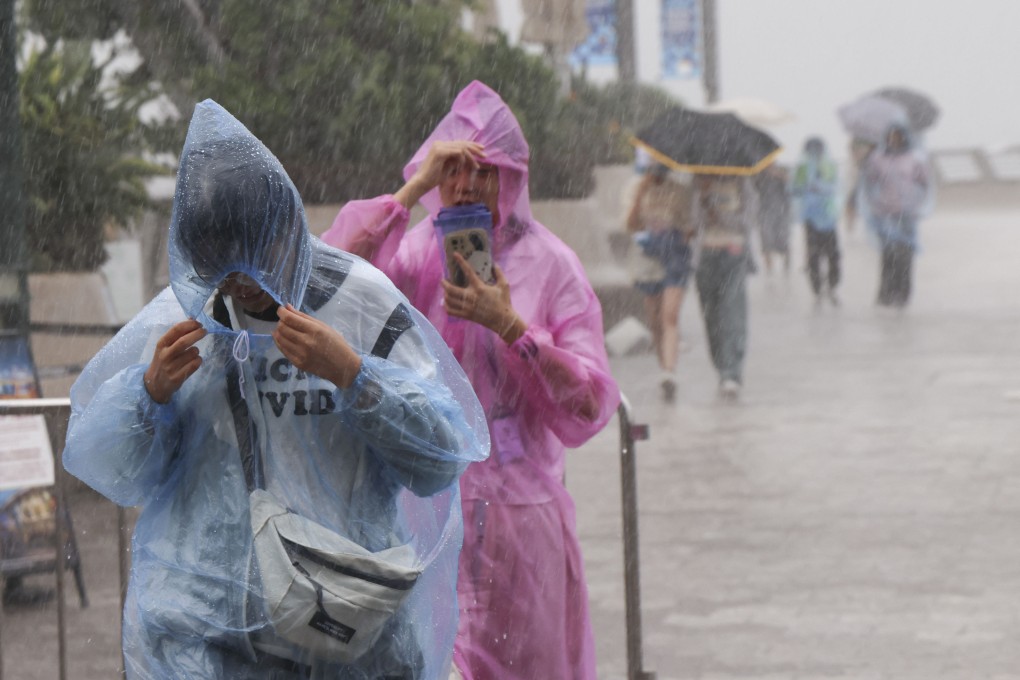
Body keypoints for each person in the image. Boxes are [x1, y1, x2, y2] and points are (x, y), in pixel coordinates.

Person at [62, 100, 488, 680]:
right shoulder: (185, 315)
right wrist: (147, 395)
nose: (241, 280)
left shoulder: (360, 301)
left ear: (289, 227)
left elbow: (439, 458)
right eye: (219, 262)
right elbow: (118, 471)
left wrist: (352, 375)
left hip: (345, 633)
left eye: (255, 254)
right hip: (203, 635)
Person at [322, 81, 621, 680]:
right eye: (450, 171)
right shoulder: (411, 256)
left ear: (511, 180)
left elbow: (590, 403)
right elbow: (330, 282)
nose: (463, 186)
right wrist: (410, 190)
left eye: (481, 172)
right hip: (424, 513)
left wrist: (512, 327)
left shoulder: (552, 264)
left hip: (522, 525)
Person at [624, 162, 693, 402]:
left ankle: (669, 371)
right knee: (654, 320)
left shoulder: (680, 190)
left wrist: (675, 233)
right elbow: (630, 224)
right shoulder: (635, 186)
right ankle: (664, 365)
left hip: (674, 258)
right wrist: (642, 193)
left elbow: (689, 227)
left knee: (670, 316)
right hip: (647, 260)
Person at [689, 173, 759, 400]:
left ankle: (732, 372)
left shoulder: (741, 183)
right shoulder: (697, 182)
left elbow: (747, 222)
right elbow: (692, 222)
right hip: (705, 255)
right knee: (711, 316)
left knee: (732, 311)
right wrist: (703, 201)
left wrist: (720, 214)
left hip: (733, 253)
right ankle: (721, 365)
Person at [860, 122, 933, 307]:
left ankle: (903, 296)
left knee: (905, 256)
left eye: (897, 136)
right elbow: (869, 183)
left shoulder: (915, 159)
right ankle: (885, 295)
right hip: (885, 214)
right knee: (888, 256)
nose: (894, 140)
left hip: (907, 214)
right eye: (891, 137)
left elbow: (924, 184)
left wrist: (917, 204)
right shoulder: (878, 159)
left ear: (904, 138)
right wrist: (874, 203)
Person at [791, 137, 842, 306]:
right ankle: (817, 289)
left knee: (833, 254)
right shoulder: (802, 167)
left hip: (828, 217)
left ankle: (832, 285)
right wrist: (807, 187)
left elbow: (837, 187)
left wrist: (822, 188)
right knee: (814, 255)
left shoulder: (830, 166)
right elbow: (794, 189)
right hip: (811, 217)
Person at [753, 163, 793, 275]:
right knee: (766, 239)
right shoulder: (758, 172)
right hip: (764, 210)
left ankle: (787, 267)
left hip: (782, 209)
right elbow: (754, 188)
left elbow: (792, 186)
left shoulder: (783, 169)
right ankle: (769, 270)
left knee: (783, 238)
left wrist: (779, 174)